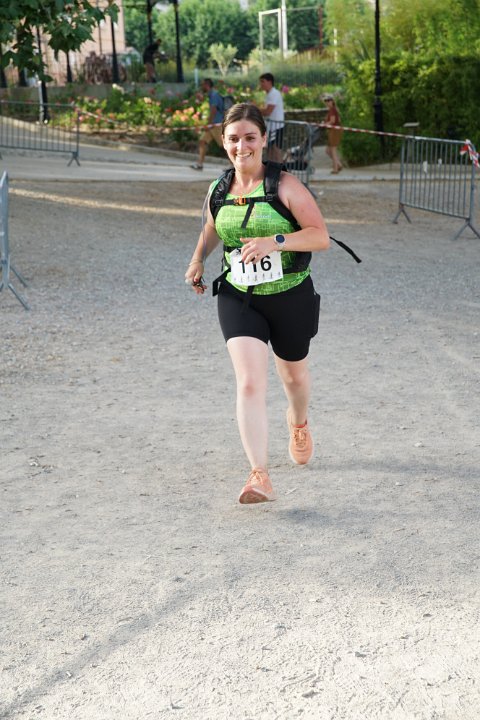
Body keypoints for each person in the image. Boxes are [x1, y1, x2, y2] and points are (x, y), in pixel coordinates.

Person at [185, 103, 330, 505]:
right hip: (239, 296)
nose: (241, 146)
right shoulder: (218, 189)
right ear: (223, 142)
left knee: (293, 379)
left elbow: (320, 236)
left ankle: (298, 422)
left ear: (264, 139)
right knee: (249, 381)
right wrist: (198, 259)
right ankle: (259, 474)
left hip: (290, 296)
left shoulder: (286, 186)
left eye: (250, 137)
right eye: (233, 139)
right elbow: (212, 227)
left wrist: (276, 241)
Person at [191, 79, 225, 170]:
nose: (201, 87)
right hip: (213, 124)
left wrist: (209, 124)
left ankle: (235, 165)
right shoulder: (211, 94)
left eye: (202, 85)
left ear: (207, 85)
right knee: (202, 141)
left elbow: (213, 110)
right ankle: (200, 164)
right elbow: (203, 100)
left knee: (224, 145)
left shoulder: (214, 95)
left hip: (216, 124)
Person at [259, 72, 284, 162]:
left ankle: (280, 169)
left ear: (269, 82)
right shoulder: (270, 94)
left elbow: (268, 111)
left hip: (276, 127)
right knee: (270, 150)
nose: (261, 84)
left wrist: (255, 109)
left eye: (263, 81)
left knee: (276, 150)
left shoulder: (274, 93)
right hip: (272, 127)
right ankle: (272, 169)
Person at [323, 94, 343, 174]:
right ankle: (339, 165)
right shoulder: (333, 110)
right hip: (333, 130)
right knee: (328, 151)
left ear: (332, 101)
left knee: (332, 150)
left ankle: (335, 169)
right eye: (325, 101)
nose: (327, 102)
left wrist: (324, 124)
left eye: (328, 100)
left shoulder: (332, 110)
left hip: (335, 131)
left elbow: (332, 121)